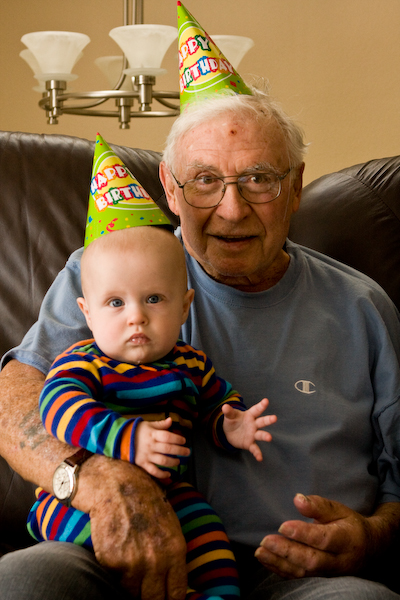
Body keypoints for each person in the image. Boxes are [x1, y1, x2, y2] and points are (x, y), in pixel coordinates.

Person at [0, 85, 400, 600]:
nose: (231, 210)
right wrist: (102, 483)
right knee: (26, 582)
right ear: (170, 187)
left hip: (301, 581)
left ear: (296, 186)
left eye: (259, 179)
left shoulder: (363, 307)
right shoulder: (111, 275)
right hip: (109, 551)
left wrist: (372, 536)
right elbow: (15, 399)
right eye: (205, 181)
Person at [27, 225, 276, 600]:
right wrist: (128, 438)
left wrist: (231, 425)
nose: (136, 317)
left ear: (184, 306)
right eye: (115, 303)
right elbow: (58, 407)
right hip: (80, 498)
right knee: (94, 540)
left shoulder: (191, 365)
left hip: (171, 491)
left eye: (154, 299)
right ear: (87, 313)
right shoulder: (85, 363)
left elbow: (215, 404)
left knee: (210, 537)